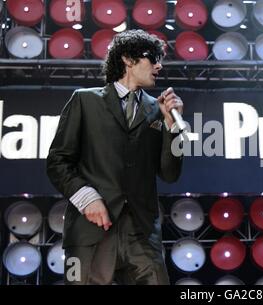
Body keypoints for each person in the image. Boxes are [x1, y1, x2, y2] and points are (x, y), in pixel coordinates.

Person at [47, 30, 183, 285]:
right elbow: (57, 161)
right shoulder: (85, 100)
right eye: (152, 57)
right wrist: (87, 199)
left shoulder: (158, 109)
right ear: (128, 60)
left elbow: (170, 174)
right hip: (91, 232)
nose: (159, 65)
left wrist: (172, 128)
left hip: (142, 235)